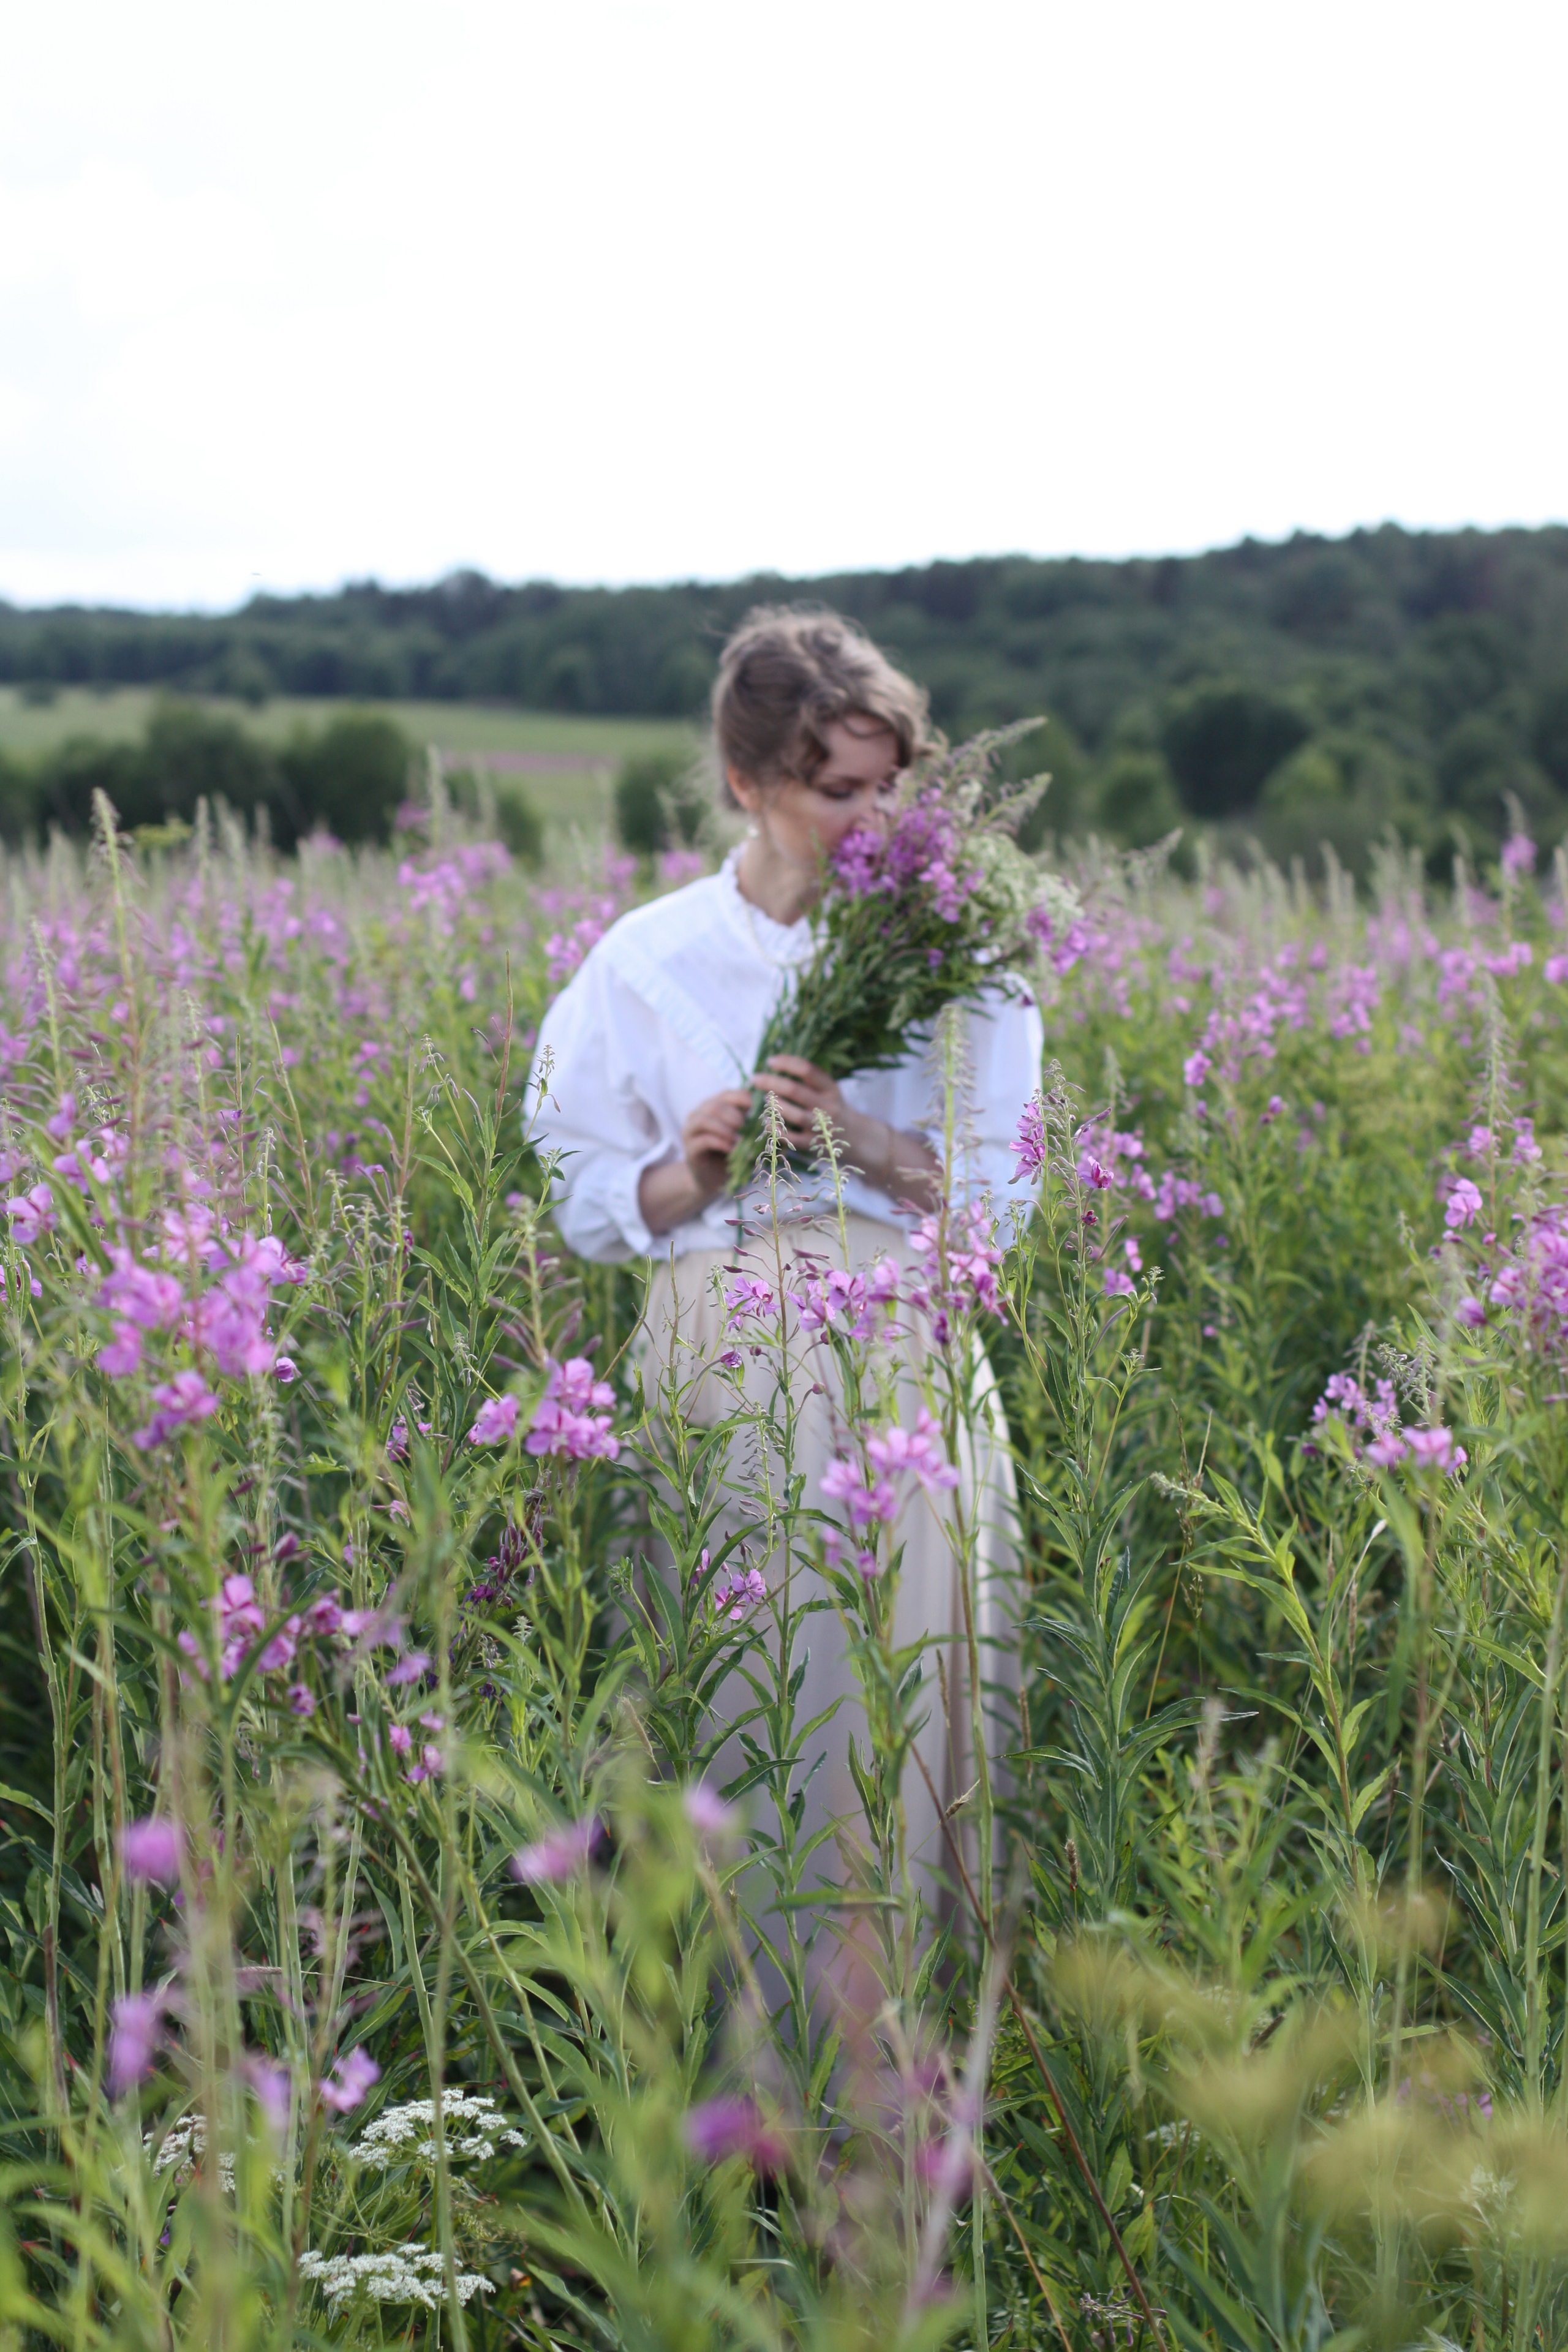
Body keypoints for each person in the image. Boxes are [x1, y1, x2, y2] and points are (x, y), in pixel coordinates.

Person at [530, 606, 1044, 1975]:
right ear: (748, 783)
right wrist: (693, 1169)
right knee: (733, 1705)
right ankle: (723, 2094)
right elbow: (585, 1191)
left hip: (898, 1354)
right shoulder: (645, 958)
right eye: (838, 791)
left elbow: (1003, 1194)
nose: (875, 820)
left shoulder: (960, 954)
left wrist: (865, 1142)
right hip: (715, 1356)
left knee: (900, 1711)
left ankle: (897, 2093)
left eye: (892, 786)